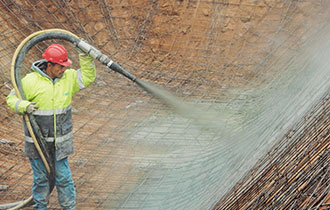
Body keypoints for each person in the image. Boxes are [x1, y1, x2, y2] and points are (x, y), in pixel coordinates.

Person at [6, 43, 96, 210]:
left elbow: (87, 77)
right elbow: (11, 99)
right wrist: (23, 106)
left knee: (63, 177)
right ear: (49, 65)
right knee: (41, 178)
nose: (63, 69)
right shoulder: (30, 81)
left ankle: (69, 207)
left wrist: (85, 57)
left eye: (65, 66)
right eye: (60, 66)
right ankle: (40, 207)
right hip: (37, 143)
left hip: (60, 142)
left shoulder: (68, 78)